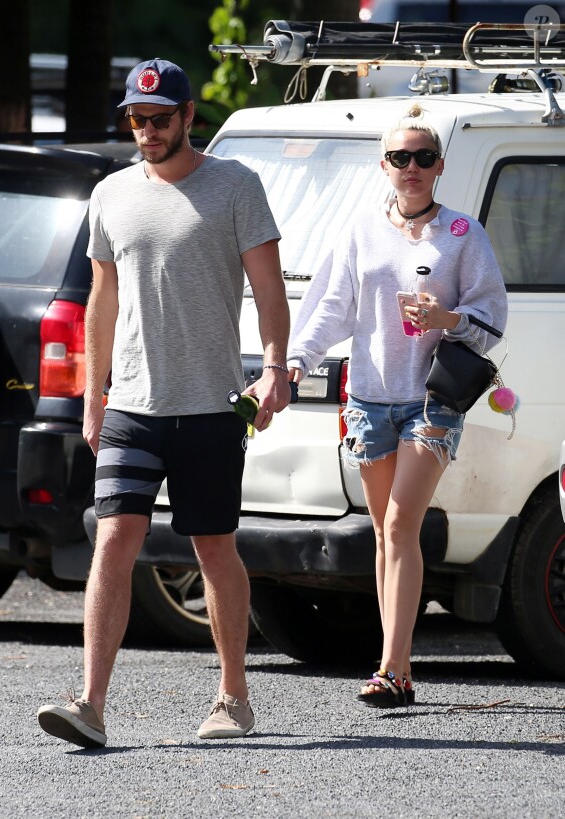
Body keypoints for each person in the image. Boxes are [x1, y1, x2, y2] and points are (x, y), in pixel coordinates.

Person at [37, 58, 290, 747]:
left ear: (187, 118)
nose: (145, 130)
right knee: (114, 538)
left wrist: (273, 368)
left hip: (211, 405)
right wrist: (95, 395)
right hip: (133, 408)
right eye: (136, 119)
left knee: (213, 548)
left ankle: (233, 695)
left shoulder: (236, 186)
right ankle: (90, 703)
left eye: (158, 119)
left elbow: (269, 291)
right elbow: (101, 299)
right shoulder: (112, 193)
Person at [287, 103, 507, 707]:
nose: (412, 167)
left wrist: (447, 318)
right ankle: (396, 665)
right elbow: (332, 305)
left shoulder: (463, 235)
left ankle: (394, 668)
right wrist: (298, 358)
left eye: (424, 157)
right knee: (385, 534)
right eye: (400, 158)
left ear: (439, 166)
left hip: (430, 401)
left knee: (402, 524)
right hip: (369, 399)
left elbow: (491, 320)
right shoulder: (361, 229)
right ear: (384, 166)